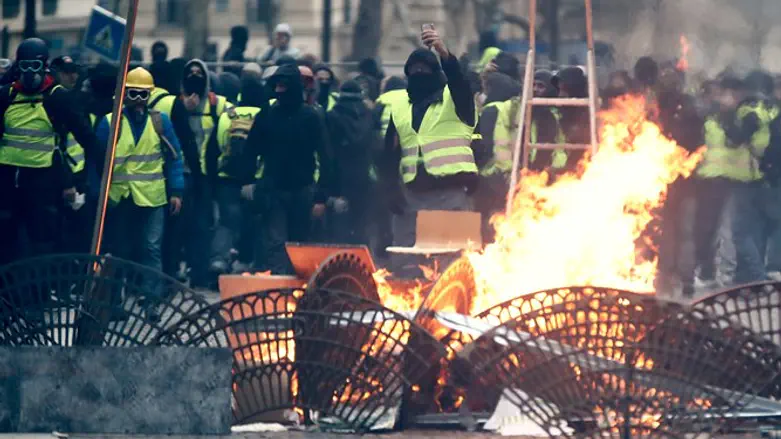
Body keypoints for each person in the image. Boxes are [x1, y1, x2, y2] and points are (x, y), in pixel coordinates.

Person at [380, 27, 478, 277]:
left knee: (451, 267)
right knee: (406, 265)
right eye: (413, 71)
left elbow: (459, 83)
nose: (418, 74)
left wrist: (445, 55)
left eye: (424, 69)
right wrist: (390, 189)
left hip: (450, 194)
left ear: (436, 73)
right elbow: (389, 154)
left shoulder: (454, 101)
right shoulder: (400, 106)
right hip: (410, 197)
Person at [0, 38, 99, 266]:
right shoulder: (7, 95)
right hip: (8, 180)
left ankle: (40, 286)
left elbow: (86, 136)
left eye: (34, 66)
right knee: (7, 240)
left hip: (42, 181)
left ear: (44, 66)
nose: (29, 73)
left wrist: (103, 168)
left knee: (42, 241)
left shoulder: (57, 97)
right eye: (24, 66)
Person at [95, 67, 184, 316]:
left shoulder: (160, 122)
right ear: (124, 95)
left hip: (152, 196)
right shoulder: (110, 123)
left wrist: (176, 191)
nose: (137, 100)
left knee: (151, 248)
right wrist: (96, 193)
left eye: (143, 94)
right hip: (120, 197)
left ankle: (151, 300)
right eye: (133, 94)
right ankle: (114, 302)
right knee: (119, 250)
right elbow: (96, 160)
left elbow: (174, 157)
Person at [240, 63, 332, 274]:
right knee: (276, 243)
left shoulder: (310, 117)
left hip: (301, 190)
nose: (279, 90)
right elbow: (250, 150)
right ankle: (280, 285)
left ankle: (296, 284)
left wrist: (321, 196)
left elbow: (326, 156)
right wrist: (248, 181)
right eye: (277, 86)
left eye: (283, 86)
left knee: (299, 244)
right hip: (274, 190)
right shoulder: (268, 115)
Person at [163, 59, 231, 287]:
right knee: (177, 227)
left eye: (198, 73)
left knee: (202, 226)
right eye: (190, 73)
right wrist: (183, 109)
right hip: (181, 173)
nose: (195, 77)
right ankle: (171, 275)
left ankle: (198, 275)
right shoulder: (175, 104)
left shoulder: (218, 104)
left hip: (206, 176)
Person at [207, 71, 266, 274]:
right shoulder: (264, 115)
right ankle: (249, 263)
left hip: (227, 179)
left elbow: (212, 151)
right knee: (255, 222)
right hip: (255, 180)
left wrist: (213, 179)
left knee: (226, 223)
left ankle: (219, 260)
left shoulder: (227, 115)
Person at [325, 80, 375, 244]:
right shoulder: (369, 115)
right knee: (361, 223)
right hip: (364, 175)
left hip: (340, 176)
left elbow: (328, 150)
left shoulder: (332, 115)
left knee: (340, 224)